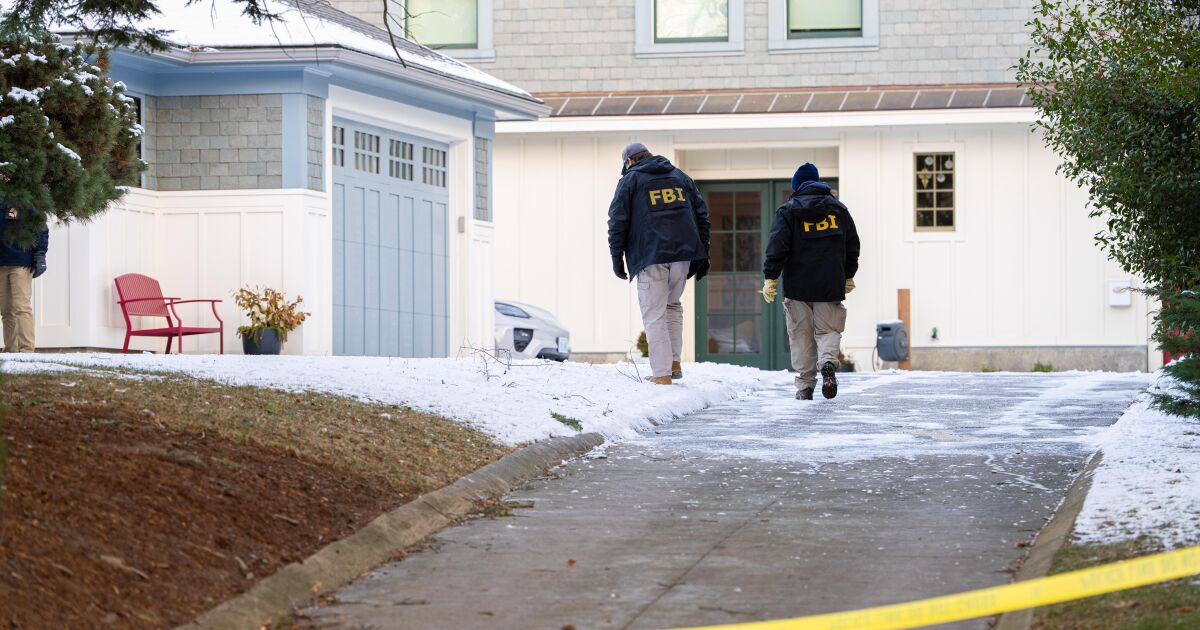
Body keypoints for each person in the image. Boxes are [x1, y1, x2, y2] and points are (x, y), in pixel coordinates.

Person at [608, 142, 710, 385]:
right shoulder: (681, 177)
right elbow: (702, 216)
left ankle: (662, 374)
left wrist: (617, 258)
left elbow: (617, 221)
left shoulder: (631, 180)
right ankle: (673, 363)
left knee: (654, 314)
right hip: (683, 255)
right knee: (672, 306)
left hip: (650, 256)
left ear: (629, 161)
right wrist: (702, 254)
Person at [762, 163, 860, 400]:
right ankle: (827, 363)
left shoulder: (788, 211)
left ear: (796, 187)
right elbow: (852, 245)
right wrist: (849, 274)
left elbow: (778, 245)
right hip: (829, 283)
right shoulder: (838, 210)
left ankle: (805, 386)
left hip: (798, 286)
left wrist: (771, 276)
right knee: (829, 330)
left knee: (801, 335)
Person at [0, 204, 49, 353]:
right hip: (1, 264)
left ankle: (27, 350)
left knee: (21, 307)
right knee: (6, 310)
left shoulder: (28, 201)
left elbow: (41, 229)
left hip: (21, 262)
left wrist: (40, 254)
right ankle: (11, 350)